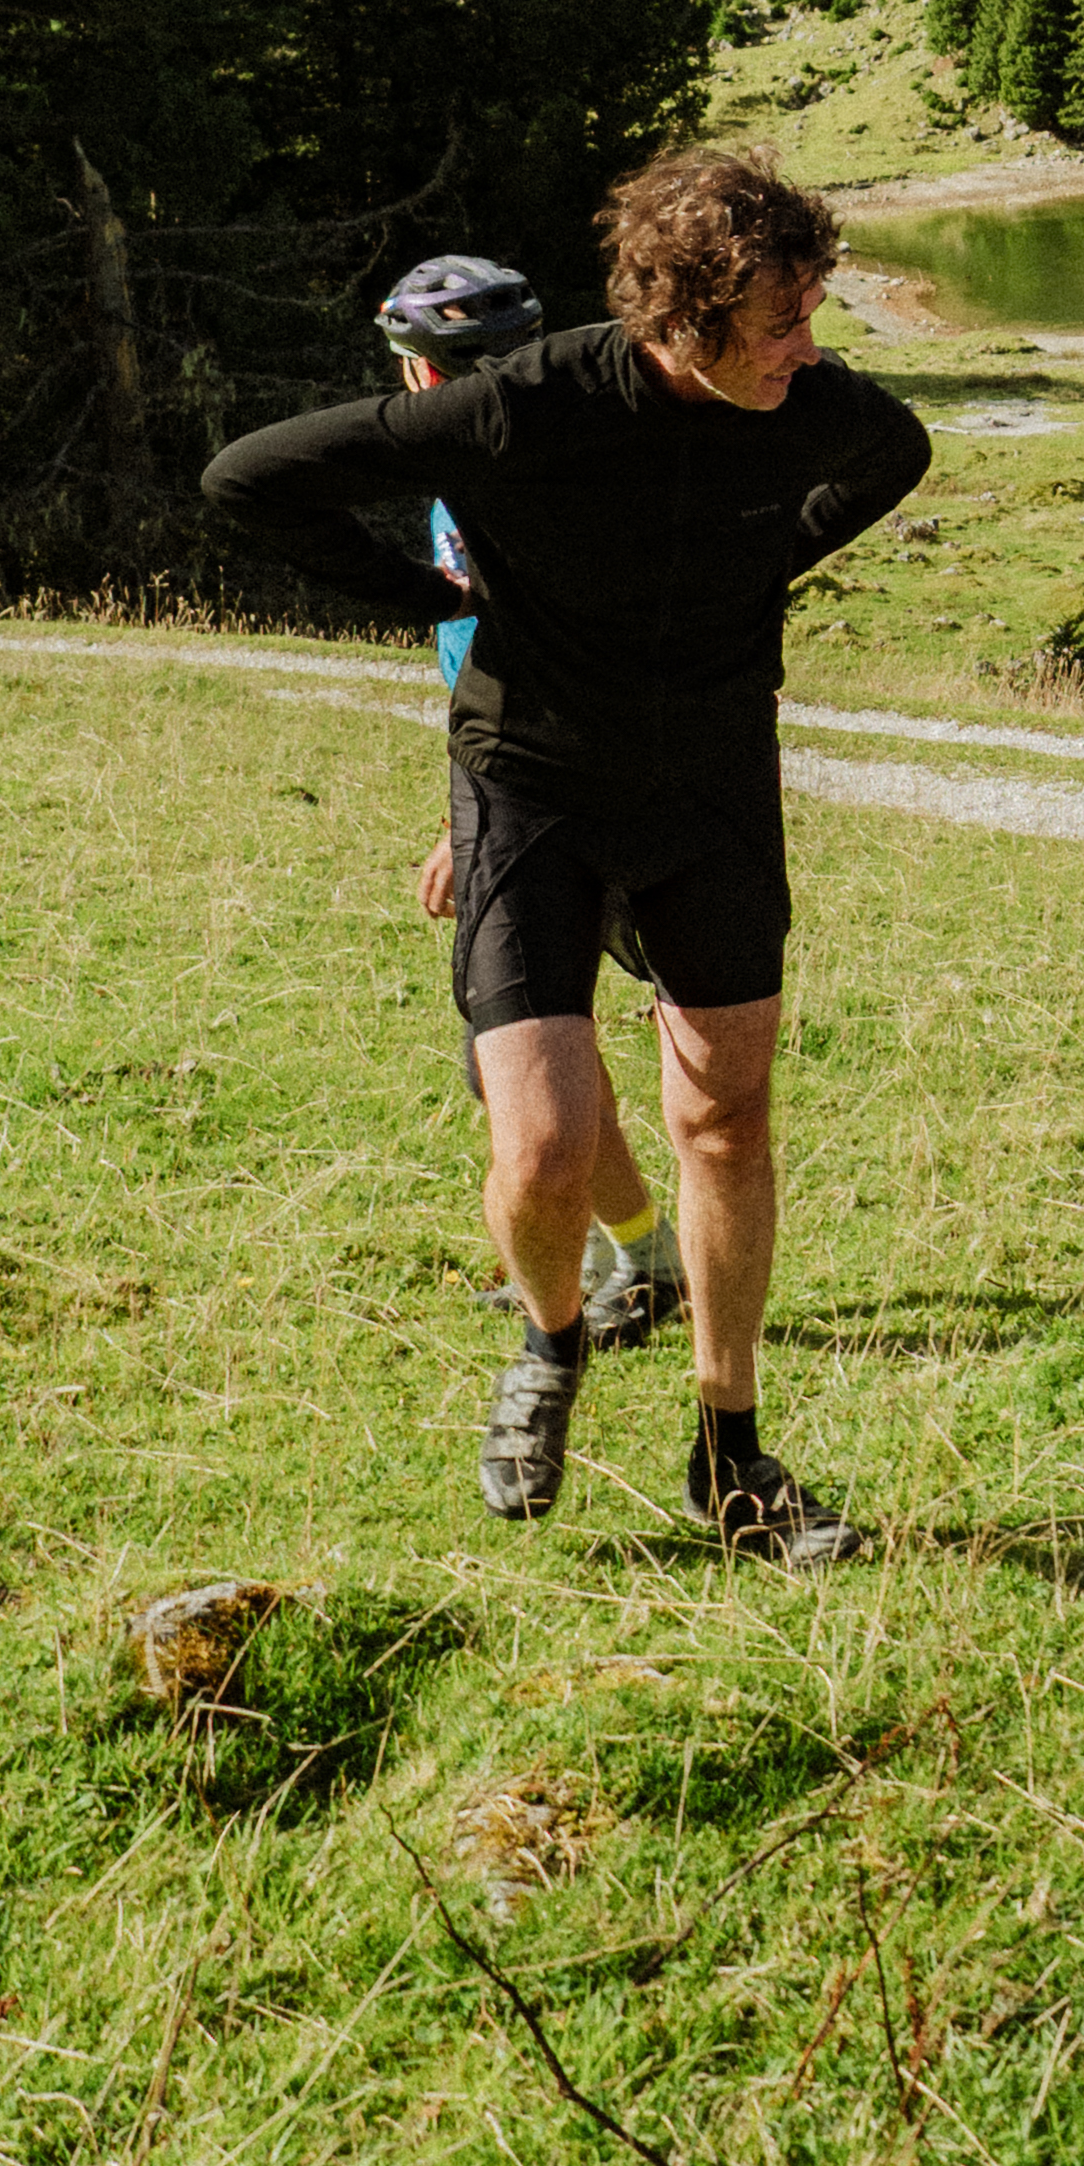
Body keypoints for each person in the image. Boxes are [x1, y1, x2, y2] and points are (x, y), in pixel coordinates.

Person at [202, 147, 926, 1564]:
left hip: (712, 792)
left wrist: (762, 564)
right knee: (541, 1150)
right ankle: (549, 1344)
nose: (809, 346)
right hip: (529, 788)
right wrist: (425, 592)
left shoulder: (806, 407)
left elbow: (895, 453)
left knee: (726, 1119)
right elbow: (252, 480)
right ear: (684, 314)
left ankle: (734, 1452)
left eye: (813, 314)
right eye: (781, 321)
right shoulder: (523, 410)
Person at [377, 253, 682, 1356]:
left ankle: (642, 1259)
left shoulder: (535, 477)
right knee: (514, 1042)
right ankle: (633, 1253)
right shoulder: (478, 473)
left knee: (536, 1041)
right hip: (518, 778)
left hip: (580, 790)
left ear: (420, 377)